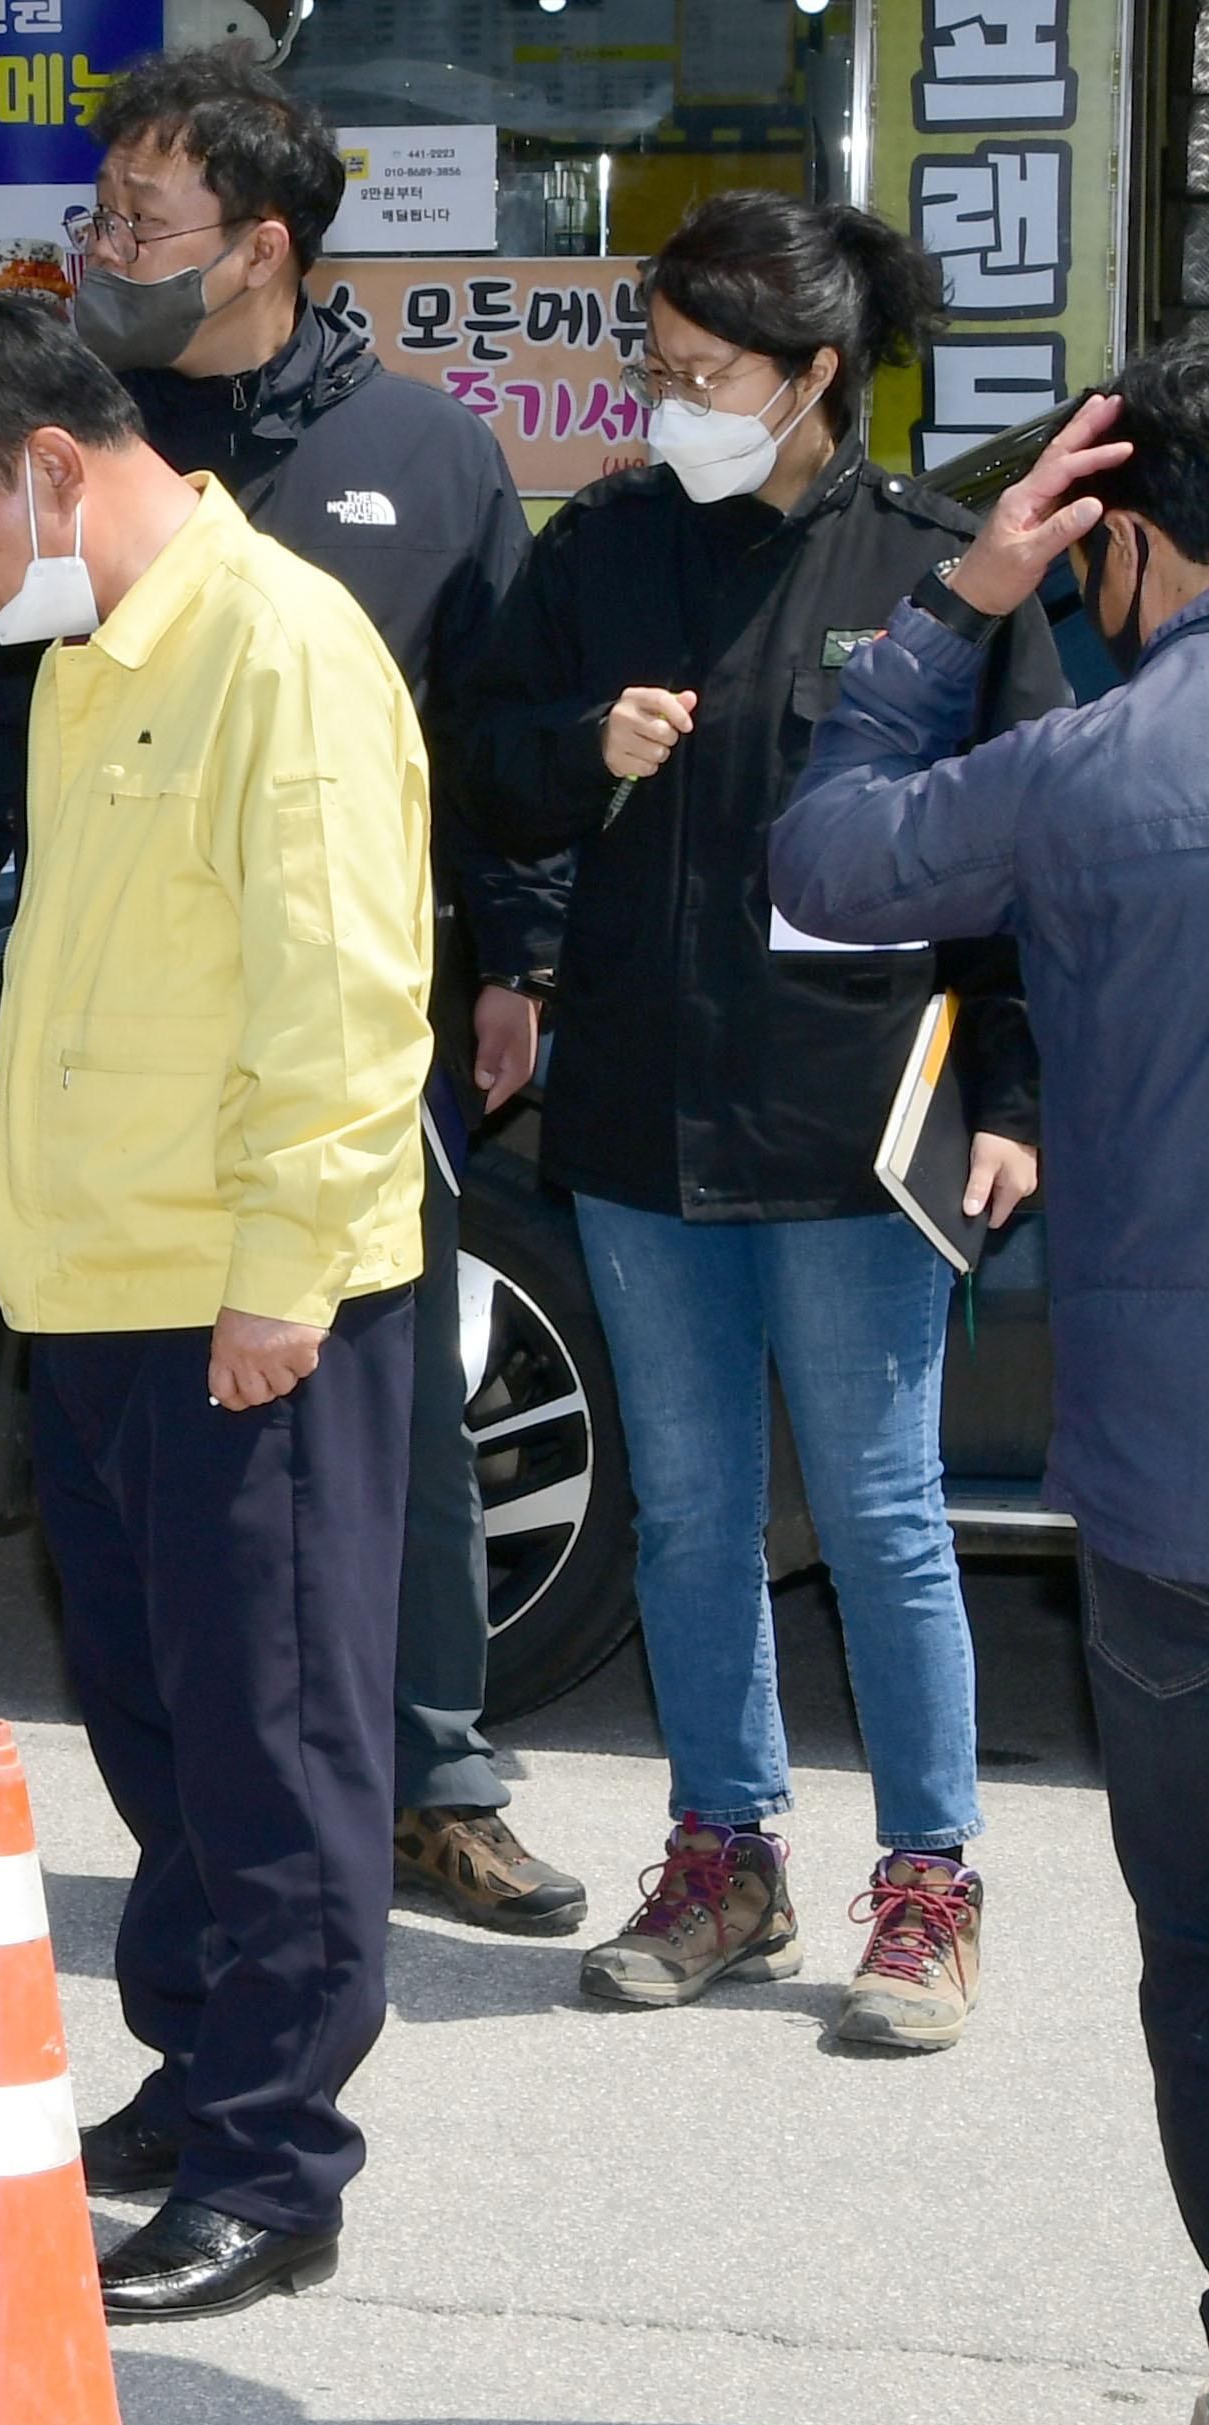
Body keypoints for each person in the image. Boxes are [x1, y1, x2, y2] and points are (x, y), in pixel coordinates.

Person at [0, 48, 585, 1938]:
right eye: (96, 214)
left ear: (263, 244)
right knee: (179, 1595)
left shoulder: (416, 461)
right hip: (120, 1079)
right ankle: (244, 1939)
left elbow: (489, 735)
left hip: (337, 1044)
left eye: (145, 220)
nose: (107, 247)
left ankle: (433, 1773)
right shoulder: (71, 435)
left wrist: (516, 950)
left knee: (375, 1437)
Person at [0, 292, 433, 2320]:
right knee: (168, 1724)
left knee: (273, 1735)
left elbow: (345, 993)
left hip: (233, 1295)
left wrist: (286, 1270)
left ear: (56, 471)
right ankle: (203, 2072)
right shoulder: (94, 650)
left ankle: (279, 2160)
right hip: (99, 1285)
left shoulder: (283, 646)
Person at [448, 194, 1065, 2050]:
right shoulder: (604, 552)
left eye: (703, 373)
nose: (667, 401)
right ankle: (725, 1861)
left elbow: (1029, 861)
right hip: (640, 1111)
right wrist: (585, 755)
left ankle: (930, 1882)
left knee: (881, 1514)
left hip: (857, 1121)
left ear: (810, 378)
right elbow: (481, 772)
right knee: (696, 1510)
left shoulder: (939, 574)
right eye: (656, 363)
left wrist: (1015, 1099)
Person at [770, 346, 1209, 2383]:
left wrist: (949, 614)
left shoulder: (1101, 768)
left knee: (1202, 1965)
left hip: (1176, 1500)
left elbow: (830, 860)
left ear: (1119, 523)